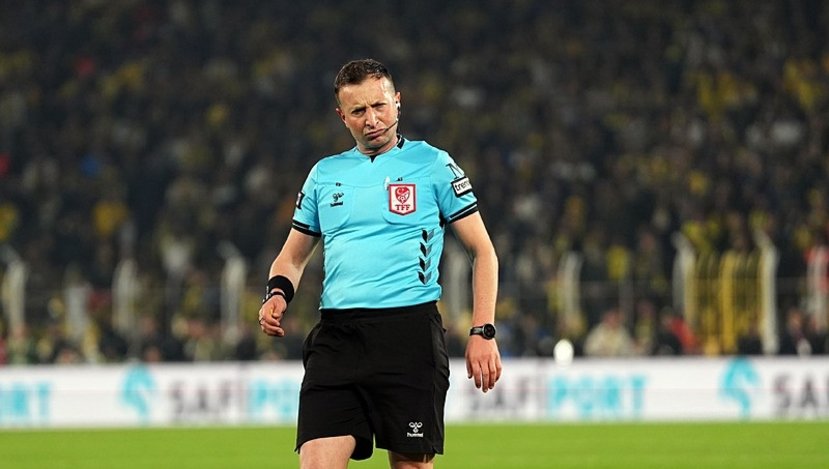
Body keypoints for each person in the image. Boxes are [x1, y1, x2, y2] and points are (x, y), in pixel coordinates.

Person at [258, 58, 502, 469]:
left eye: (379, 106)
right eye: (358, 111)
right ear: (342, 116)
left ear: (397, 102)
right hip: (337, 339)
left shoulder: (433, 165)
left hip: (408, 336)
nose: (371, 119)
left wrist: (483, 330)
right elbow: (292, 258)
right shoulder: (324, 175)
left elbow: (483, 251)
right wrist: (277, 294)